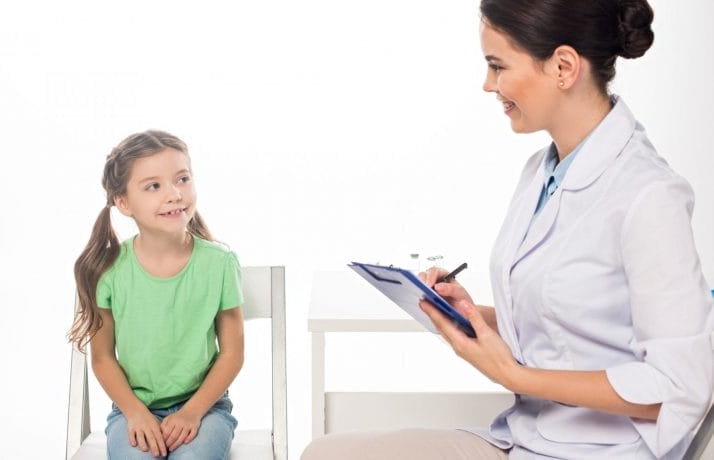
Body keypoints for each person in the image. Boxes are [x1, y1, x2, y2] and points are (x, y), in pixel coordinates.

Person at [302, 0, 714, 459]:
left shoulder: (649, 195)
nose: (487, 85)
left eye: (497, 66)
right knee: (326, 453)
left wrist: (514, 376)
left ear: (563, 66)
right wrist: (470, 313)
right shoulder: (542, 170)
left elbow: (678, 386)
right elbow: (568, 323)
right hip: (526, 436)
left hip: (605, 450)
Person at [68, 130, 244, 459]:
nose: (175, 194)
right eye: (154, 186)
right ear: (123, 202)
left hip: (205, 409)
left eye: (183, 179)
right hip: (132, 409)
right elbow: (103, 358)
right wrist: (135, 413)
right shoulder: (109, 271)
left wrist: (192, 412)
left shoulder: (220, 264)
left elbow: (232, 354)